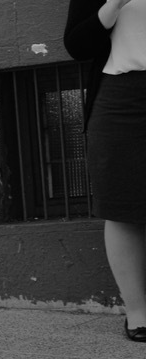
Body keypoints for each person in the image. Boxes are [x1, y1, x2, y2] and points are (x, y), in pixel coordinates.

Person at [66, 1, 146, 341]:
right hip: (120, 97)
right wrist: (113, 2)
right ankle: (139, 311)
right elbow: (78, 46)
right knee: (120, 202)